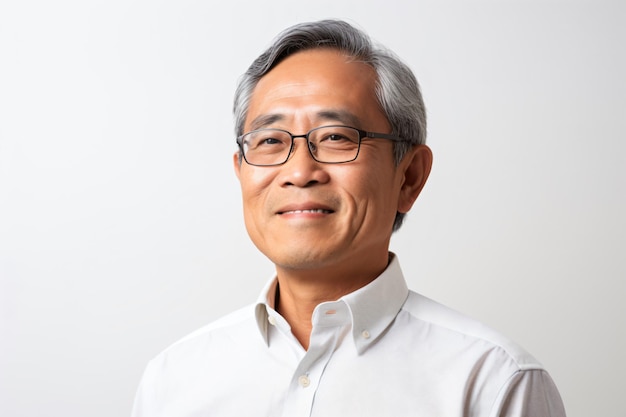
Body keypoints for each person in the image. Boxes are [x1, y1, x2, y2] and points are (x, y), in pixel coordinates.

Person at [131, 19, 566, 417]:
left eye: (337, 137)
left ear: (409, 177)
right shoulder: (172, 381)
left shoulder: (492, 383)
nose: (300, 172)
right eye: (269, 140)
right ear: (241, 172)